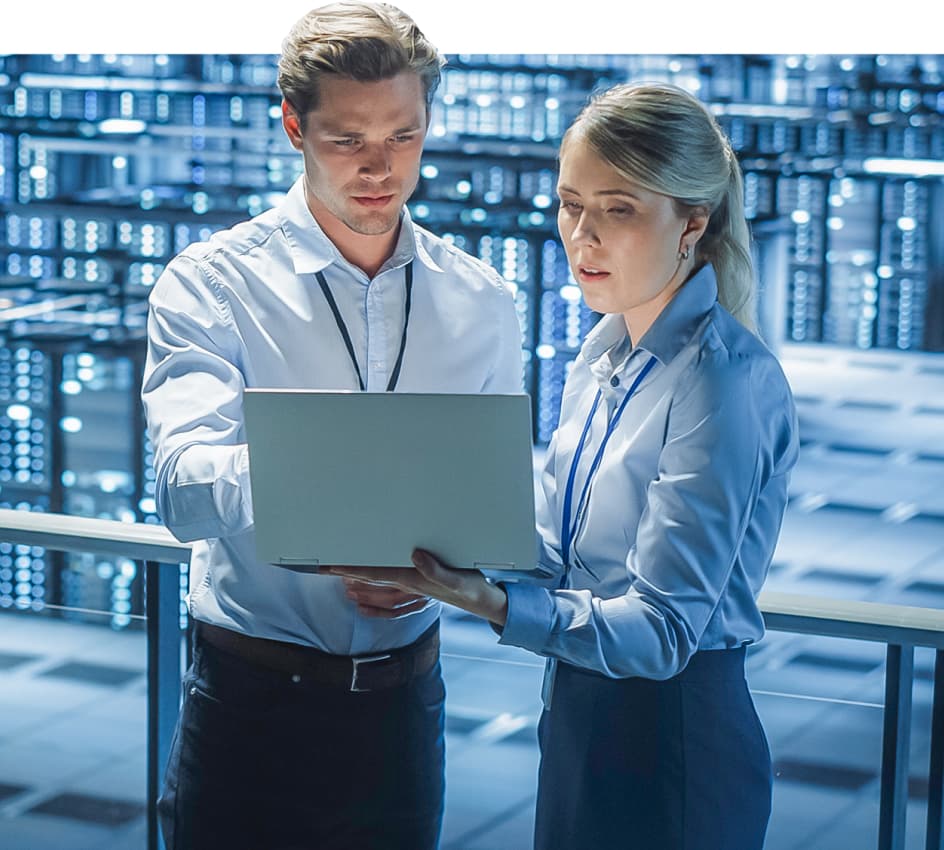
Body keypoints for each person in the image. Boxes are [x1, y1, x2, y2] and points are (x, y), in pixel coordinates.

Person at [333, 82, 800, 850]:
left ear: (692, 222)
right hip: (580, 719)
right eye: (570, 204)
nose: (582, 236)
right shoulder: (601, 354)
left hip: (675, 741)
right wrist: (437, 551)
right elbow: (561, 554)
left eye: (618, 209)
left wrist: (488, 602)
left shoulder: (721, 382)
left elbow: (662, 631)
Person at [140, 3, 523, 848]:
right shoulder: (211, 284)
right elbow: (180, 495)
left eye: (403, 136)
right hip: (248, 709)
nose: (380, 167)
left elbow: (497, 501)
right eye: (348, 139)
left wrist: (442, 571)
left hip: (406, 709)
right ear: (293, 127)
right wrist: (333, 474)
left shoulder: (483, 300)